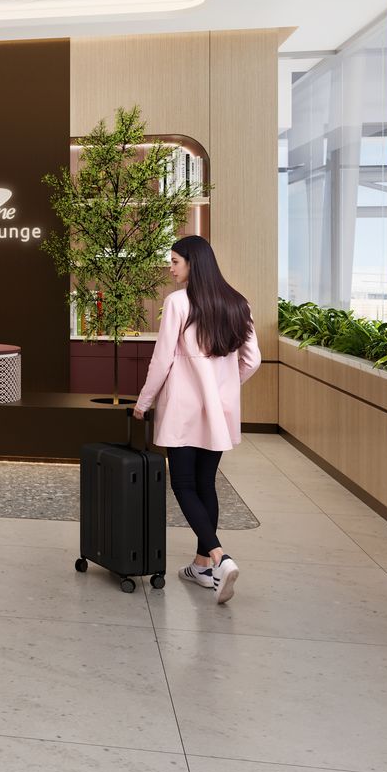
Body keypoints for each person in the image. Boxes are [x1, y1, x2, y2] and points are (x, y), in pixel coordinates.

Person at [133, 235, 260, 605]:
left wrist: (144, 402)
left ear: (193, 263)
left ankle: (220, 557)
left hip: (183, 411)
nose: (170, 268)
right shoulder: (238, 303)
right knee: (207, 482)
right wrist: (223, 387)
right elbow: (252, 361)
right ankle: (202, 565)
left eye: (175, 262)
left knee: (184, 485)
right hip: (219, 413)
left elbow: (162, 360)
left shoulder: (177, 303)